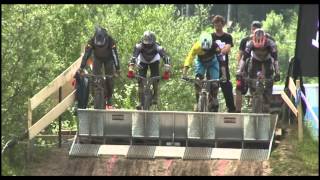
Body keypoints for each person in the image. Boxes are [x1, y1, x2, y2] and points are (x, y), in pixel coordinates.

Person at [236, 28, 280, 113]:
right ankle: (253, 95)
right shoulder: (250, 43)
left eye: (262, 49)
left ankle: (267, 100)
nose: (261, 51)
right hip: (255, 60)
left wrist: (277, 72)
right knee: (251, 76)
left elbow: (275, 60)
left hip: (267, 60)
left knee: (269, 79)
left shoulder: (271, 43)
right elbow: (243, 59)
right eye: (258, 49)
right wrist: (239, 71)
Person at [78, 26, 120, 109]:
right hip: (97, 58)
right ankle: (95, 96)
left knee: (110, 77)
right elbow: (86, 55)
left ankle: (109, 97)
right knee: (95, 77)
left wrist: (118, 68)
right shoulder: (91, 41)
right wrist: (81, 67)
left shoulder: (111, 40)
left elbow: (115, 55)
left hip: (109, 59)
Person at [182, 32, 226, 112]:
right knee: (197, 80)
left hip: (213, 63)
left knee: (215, 83)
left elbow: (221, 60)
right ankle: (197, 100)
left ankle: (214, 98)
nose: (205, 51)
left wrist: (224, 74)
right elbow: (189, 58)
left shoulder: (215, 46)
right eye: (203, 49)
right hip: (201, 63)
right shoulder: (196, 46)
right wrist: (184, 72)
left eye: (207, 49)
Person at [127, 31, 171, 109]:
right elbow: (133, 58)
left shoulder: (158, 47)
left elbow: (166, 58)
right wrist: (130, 70)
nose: (147, 46)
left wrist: (166, 71)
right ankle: (140, 101)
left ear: (153, 42)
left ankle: (155, 96)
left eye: (149, 44)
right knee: (140, 79)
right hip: (142, 61)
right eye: (146, 44)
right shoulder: (138, 46)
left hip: (154, 60)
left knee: (155, 77)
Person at [211, 15, 236, 112]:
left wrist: (218, 50)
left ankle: (231, 109)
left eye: (219, 22)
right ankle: (212, 107)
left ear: (223, 24)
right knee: (212, 87)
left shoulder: (227, 37)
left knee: (227, 88)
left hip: (224, 66)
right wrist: (220, 49)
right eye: (215, 23)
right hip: (212, 65)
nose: (217, 25)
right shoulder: (211, 36)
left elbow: (227, 49)